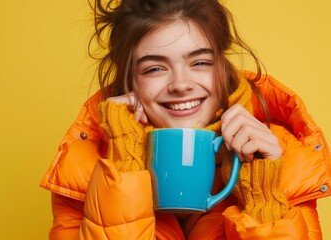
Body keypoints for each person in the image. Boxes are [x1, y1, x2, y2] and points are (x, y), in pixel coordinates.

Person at [41, 0, 331, 239]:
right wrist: (123, 168)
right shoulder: (89, 169)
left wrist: (264, 199)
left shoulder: (281, 158)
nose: (181, 84)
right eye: (154, 69)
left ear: (223, 67)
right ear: (130, 81)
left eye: (200, 63)